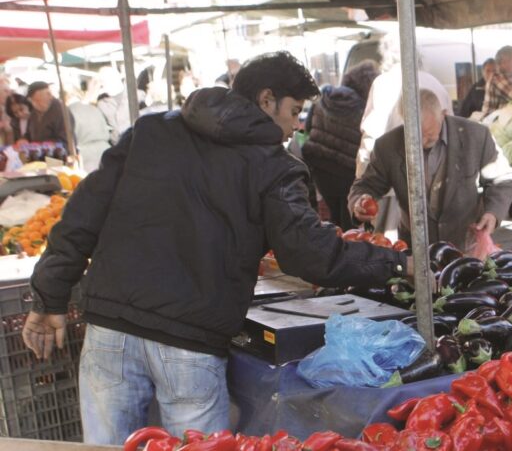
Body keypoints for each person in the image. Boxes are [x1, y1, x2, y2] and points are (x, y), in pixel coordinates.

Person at [22, 52, 410, 445]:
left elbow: (81, 216)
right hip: (188, 344)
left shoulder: (152, 129)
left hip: (110, 331)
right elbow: (309, 252)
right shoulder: (274, 164)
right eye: (294, 111)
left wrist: (48, 299)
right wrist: (398, 264)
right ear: (266, 99)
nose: (297, 125)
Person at [349, 89, 512, 251]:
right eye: (414, 135)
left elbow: (502, 180)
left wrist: (492, 213)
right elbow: (365, 186)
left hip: (466, 246)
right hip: (416, 249)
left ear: (443, 115)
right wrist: (359, 203)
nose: (421, 142)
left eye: (428, 134)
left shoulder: (476, 136)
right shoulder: (387, 146)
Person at [356, 35, 452, 179]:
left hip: (392, 181)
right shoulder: (436, 84)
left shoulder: (383, 83)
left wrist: (362, 176)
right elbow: (450, 133)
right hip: (434, 178)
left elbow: (371, 137)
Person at [303, 60, 380, 228]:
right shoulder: (362, 106)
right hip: (347, 171)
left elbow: (307, 128)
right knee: (349, 222)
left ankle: (336, 247)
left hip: (320, 169)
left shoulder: (323, 97)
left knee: (334, 217)